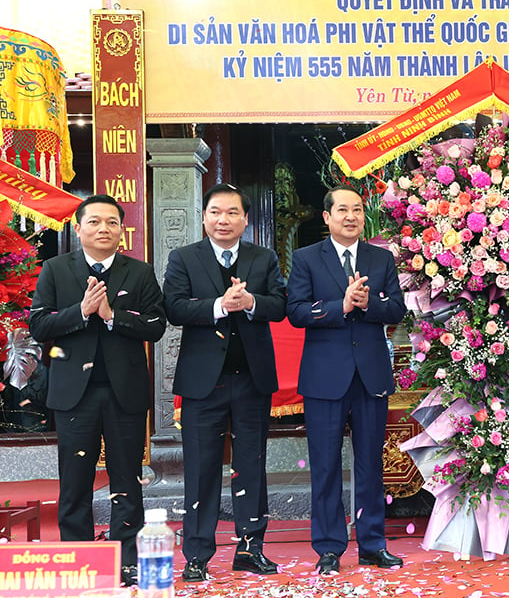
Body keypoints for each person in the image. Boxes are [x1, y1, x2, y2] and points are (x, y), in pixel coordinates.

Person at [29, 195, 166, 586]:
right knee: (75, 481)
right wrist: (82, 312)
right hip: (74, 394)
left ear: (121, 230)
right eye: (94, 222)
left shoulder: (139, 273)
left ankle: (126, 560)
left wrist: (112, 316)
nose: (103, 229)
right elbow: (40, 325)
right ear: (79, 228)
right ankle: (80, 558)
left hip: (125, 392)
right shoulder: (56, 270)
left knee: (127, 479)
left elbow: (156, 325)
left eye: (111, 222)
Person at [163, 184, 286, 581]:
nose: (224, 219)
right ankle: (197, 553)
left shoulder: (262, 257)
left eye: (233, 213)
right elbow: (174, 308)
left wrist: (251, 303)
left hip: (251, 379)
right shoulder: (184, 258)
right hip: (204, 383)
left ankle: (251, 548)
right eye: (216, 212)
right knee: (201, 468)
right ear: (204, 217)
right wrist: (219, 305)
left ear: (245, 219)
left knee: (252, 463)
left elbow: (281, 303)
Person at [287, 186, 407, 573]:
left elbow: (397, 309)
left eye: (357, 209)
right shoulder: (306, 258)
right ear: (327, 217)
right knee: (325, 466)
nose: (351, 216)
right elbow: (296, 311)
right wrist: (340, 306)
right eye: (343, 210)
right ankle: (328, 547)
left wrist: (370, 303)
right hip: (324, 377)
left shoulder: (381, 258)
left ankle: (373, 543)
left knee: (370, 463)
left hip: (370, 374)